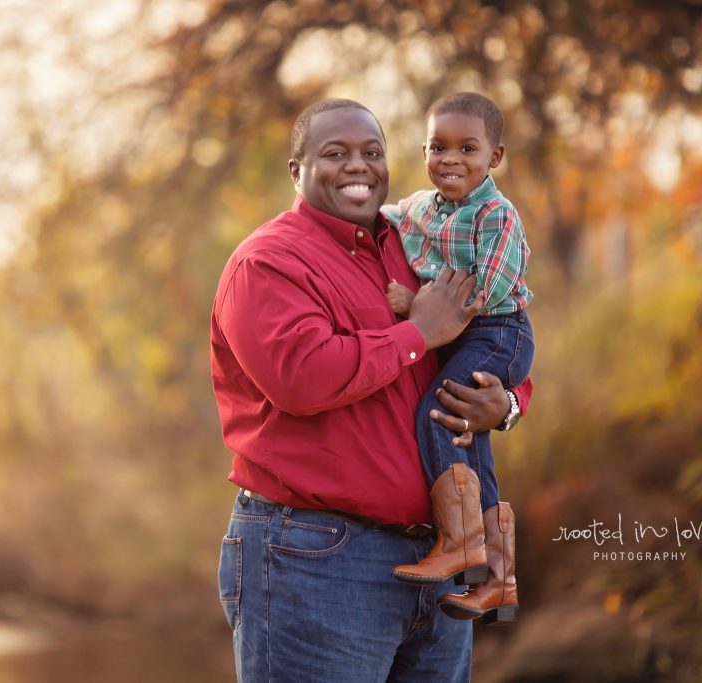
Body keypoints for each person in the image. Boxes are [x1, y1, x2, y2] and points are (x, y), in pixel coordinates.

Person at [211, 98, 532, 681]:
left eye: (372, 152)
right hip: (317, 560)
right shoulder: (269, 263)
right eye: (335, 154)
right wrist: (416, 334)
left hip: (440, 562)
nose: (357, 166)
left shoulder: (416, 243)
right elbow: (302, 379)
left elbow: (493, 335)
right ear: (297, 169)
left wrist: (506, 406)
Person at [383, 92, 533, 624]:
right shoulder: (424, 207)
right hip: (470, 337)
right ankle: (498, 580)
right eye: (437, 146)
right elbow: (387, 213)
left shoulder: (497, 213)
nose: (450, 159)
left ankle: (460, 545)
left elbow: (480, 295)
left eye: (467, 148)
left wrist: (417, 304)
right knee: (474, 447)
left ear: (494, 157)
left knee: (440, 412)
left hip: (499, 331)